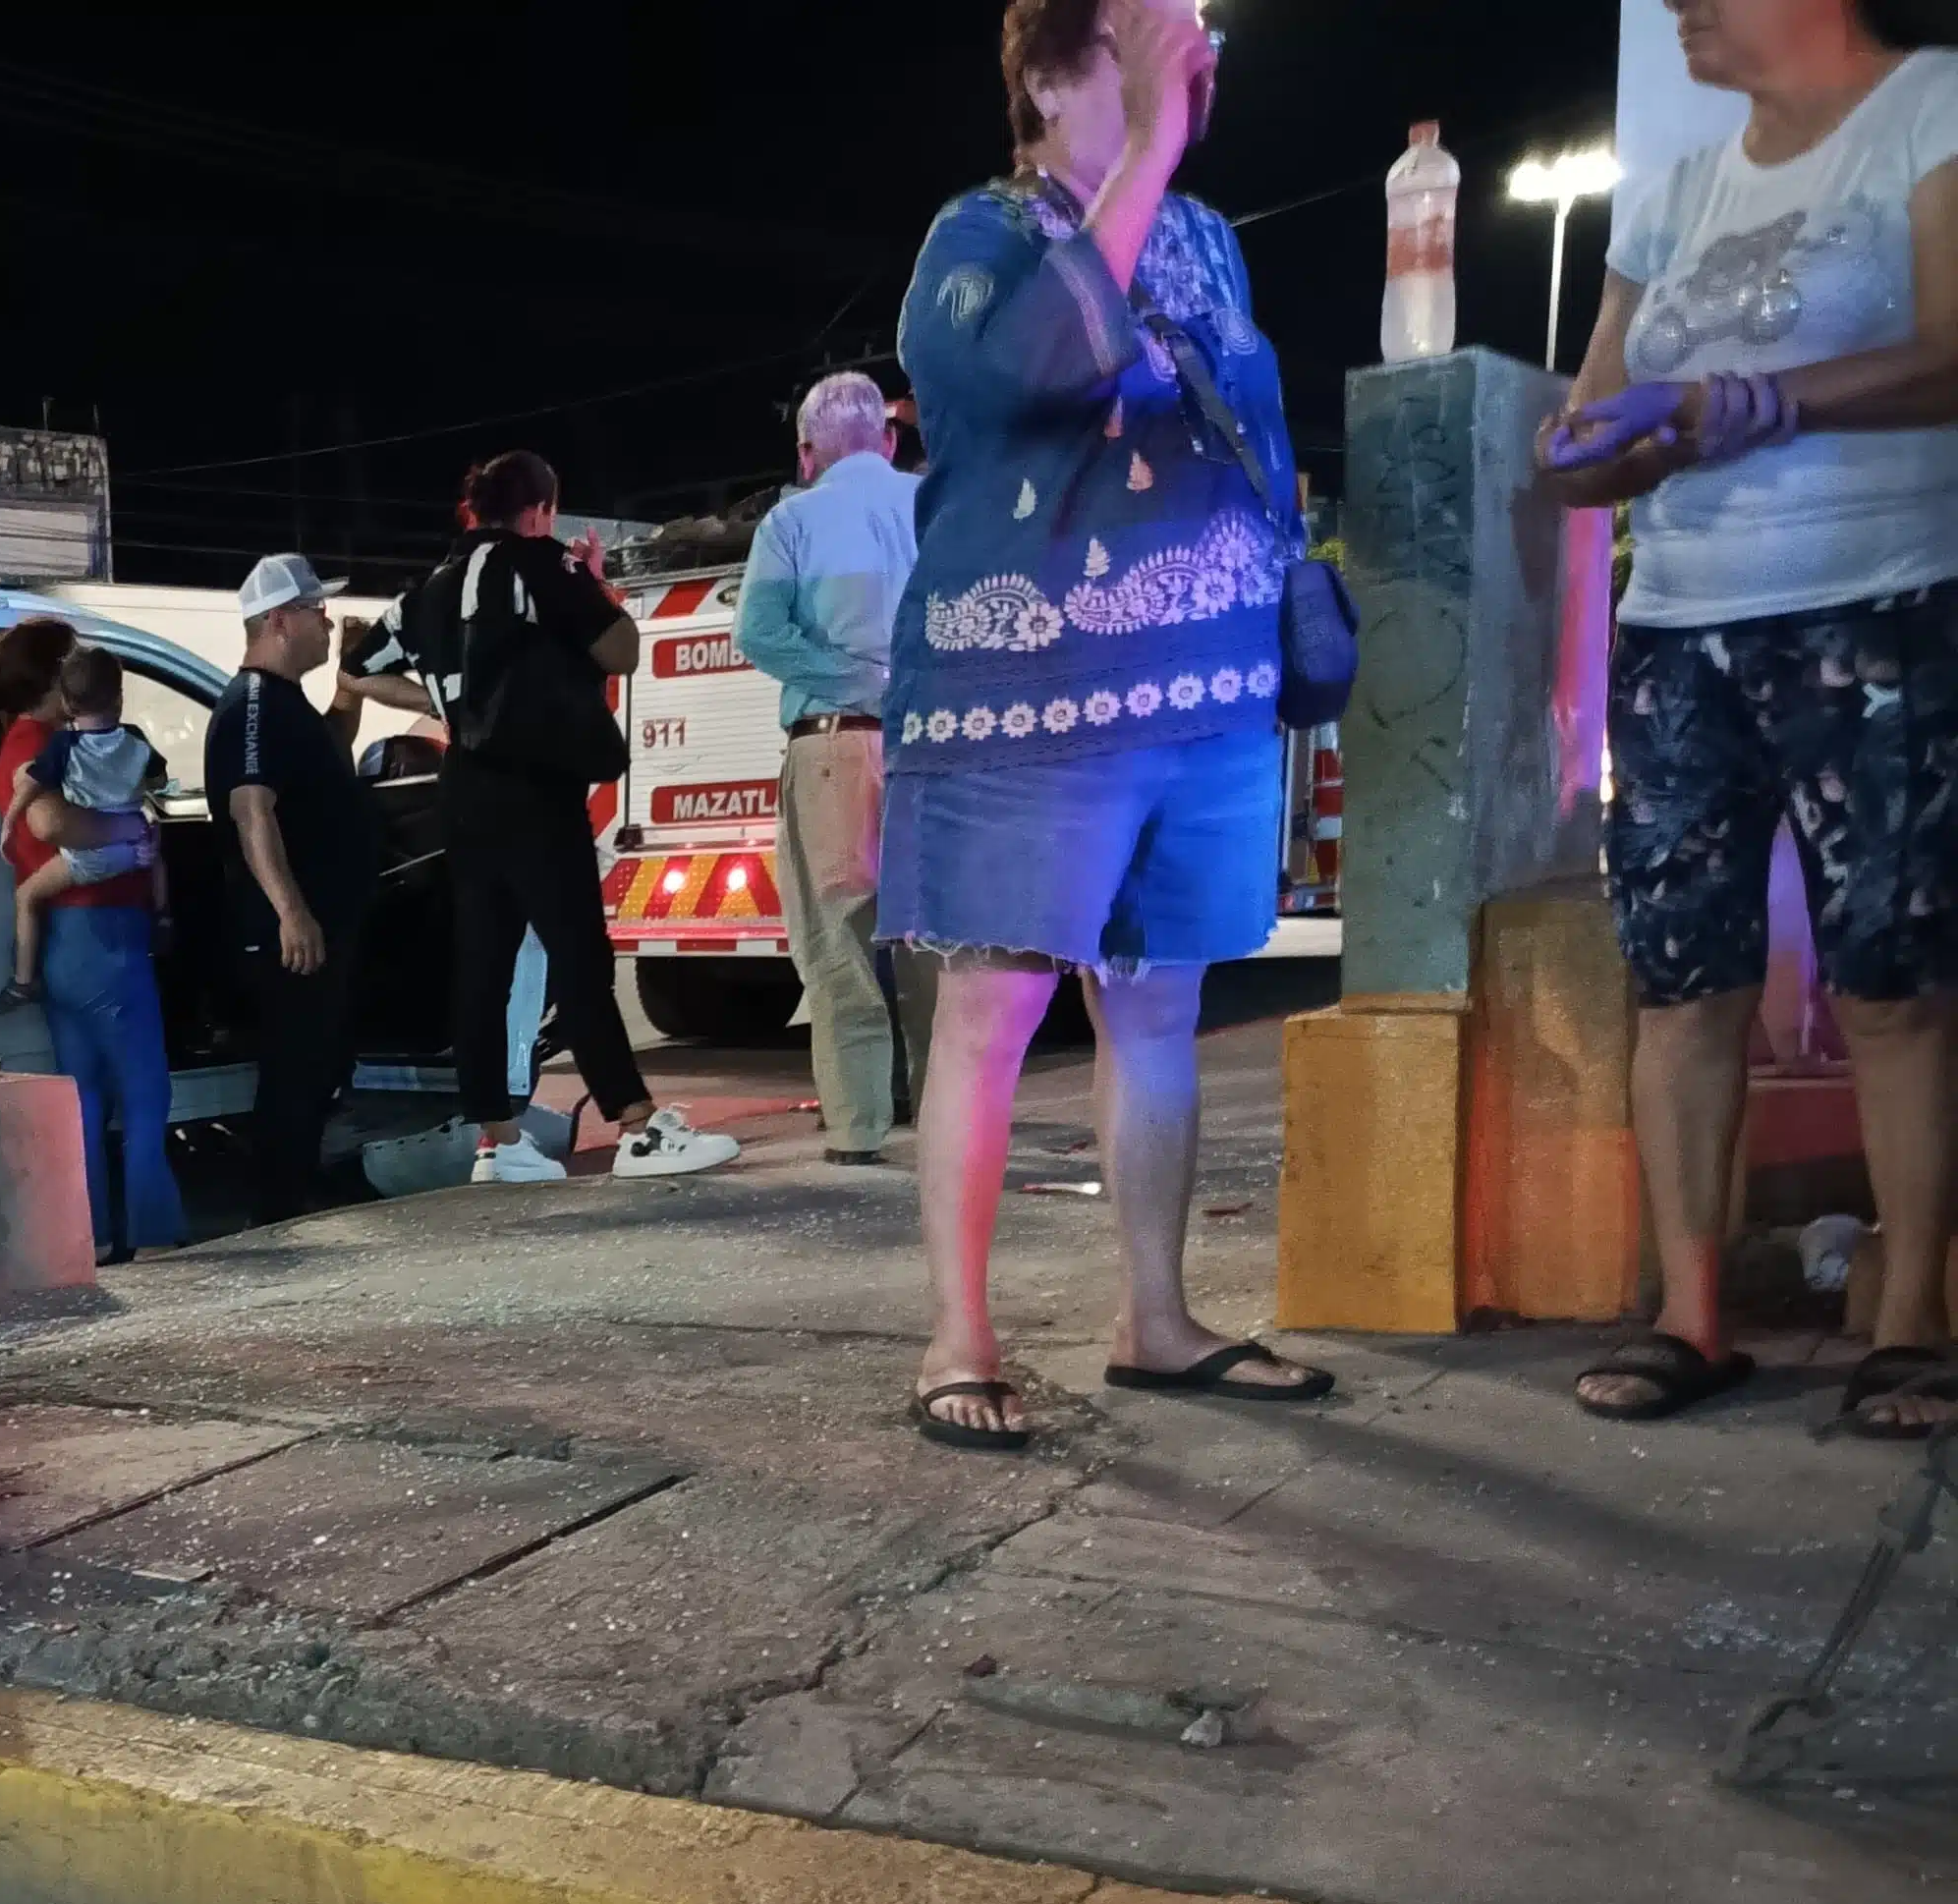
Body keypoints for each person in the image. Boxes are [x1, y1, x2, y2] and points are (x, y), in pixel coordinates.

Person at [876, 0, 1331, 1451]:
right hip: (1027, 698)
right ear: (1059, 71)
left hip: (1201, 698)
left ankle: (1157, 1317)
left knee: (1160, 1007)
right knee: (995, 1011)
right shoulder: (979, 237)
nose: (1198, 51)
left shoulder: (1207, 233)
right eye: (1155, 31)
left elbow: (1252, 421)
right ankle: (960, 1335)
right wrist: (1145, 150)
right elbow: (1039, 368)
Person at [1538, 0, 1958, 1438]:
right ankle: (1690, 1315)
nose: (1677, 8)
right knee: (1680, 983)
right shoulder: (1668, 192)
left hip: (1882, 596)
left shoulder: (1932, 106)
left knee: (1895, 981)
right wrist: (1583, 444)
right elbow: (1599, 430)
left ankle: (1911, 1320)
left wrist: (1752, 402)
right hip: (1678, 625)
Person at [361, 451, 740, 1185]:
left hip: (464, 788)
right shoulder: (539, 563)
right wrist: (593, 583)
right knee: (578, 957)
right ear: (539, 511)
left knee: (483, 964)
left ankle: (497, 1142)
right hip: (536, 787)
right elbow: (621, 649)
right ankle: (636, 1127)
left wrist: (445, 704)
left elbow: (358, 667)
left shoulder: (428, 590)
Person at [736, 371, 924, 1162]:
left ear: (807, 452)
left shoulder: (792, 521)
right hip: (935, 747)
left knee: (839, 941)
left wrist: (857, 680)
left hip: (833, 746)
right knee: (935, 943)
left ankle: (857, 1130)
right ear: (886, 440)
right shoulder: (936, 505)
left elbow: (759, 633)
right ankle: (956, 1120)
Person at [0, 616, 187, 1260]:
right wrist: (129, 834)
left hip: (66, 938)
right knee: (146, 1091)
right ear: (55, 680)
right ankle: (153, 1236)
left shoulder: (28, 741)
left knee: (87, 1096)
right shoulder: (38, 742)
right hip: (102, 932)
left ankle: (90, 1239)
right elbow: (49, 818)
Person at [207, 552, 397, 1218]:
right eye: (317, 612)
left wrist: (348, 683)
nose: (325, 621)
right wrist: (291, 912)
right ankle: (276, 1209)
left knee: (316, 1062)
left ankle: (298, 1188)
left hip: (325, 922)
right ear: (281, 621)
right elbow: (250, 808)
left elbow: (331, 748)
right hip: (291, 933)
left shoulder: (287, 706)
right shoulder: (254, 705)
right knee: (293, 1068)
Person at [0, 645, 159, 1017]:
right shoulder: (134, 739)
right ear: (119, 698)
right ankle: (163, 916)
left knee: (27, 896)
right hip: (132, 857)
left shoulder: (62, 745)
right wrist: (137, 821)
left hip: (88, 865)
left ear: (68, 701)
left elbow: (36, 800)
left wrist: (8, 823)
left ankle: (23, 980)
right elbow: (158, 778)